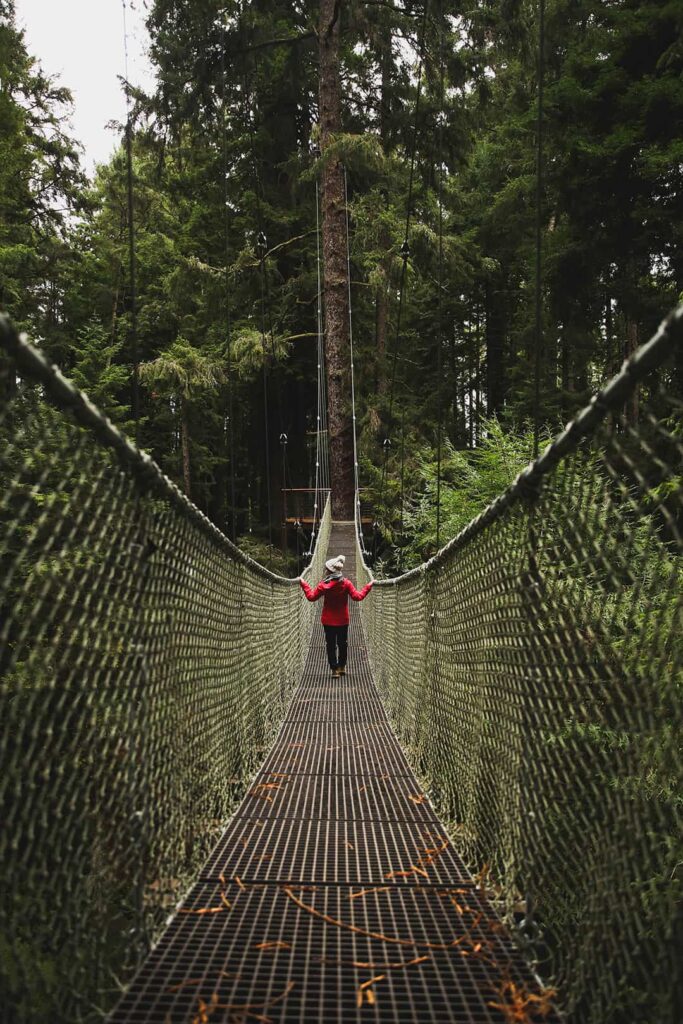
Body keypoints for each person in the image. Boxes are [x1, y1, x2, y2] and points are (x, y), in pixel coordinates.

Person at [300, 555, 373, 677]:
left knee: (331, 645)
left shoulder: (323, 585)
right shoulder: (347, 584)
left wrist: (303, 584)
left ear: (329, 571)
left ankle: (334, 670)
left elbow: (311, 597)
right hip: (343, 620)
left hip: (328, 620)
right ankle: (342, 666)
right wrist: (369, 586)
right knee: (342, 643)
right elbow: (358, 597)